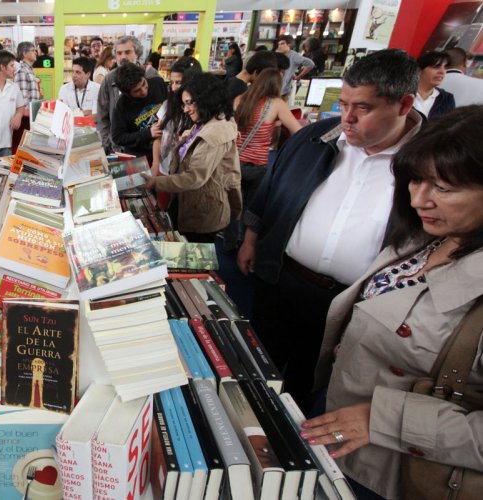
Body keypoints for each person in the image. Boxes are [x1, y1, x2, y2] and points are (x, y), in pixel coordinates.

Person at [304, 106, 483, 500]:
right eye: (414, 181)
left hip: (399, 472)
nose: (420, 200)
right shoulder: (426, 238)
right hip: (339, 420)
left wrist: (388, 420)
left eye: (444, 188)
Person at [237, 49, 425, 408]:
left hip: (351, 303)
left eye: (363, 108)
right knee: (257, 361)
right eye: (344, 104)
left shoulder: (428, 162)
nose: (348, 118)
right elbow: (271, 191)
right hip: (281, 278)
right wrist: (251, 239)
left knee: (312, 382)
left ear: (403, 105)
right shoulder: (314, 139)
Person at [142, 73, 241, 243]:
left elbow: (194, 178)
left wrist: (155, 182)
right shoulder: (206, 121)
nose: (186, 110)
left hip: (202, 212)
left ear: (206, 99)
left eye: (190, 103)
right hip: (190, 203)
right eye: (184, 104)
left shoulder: (215, 132)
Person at [223, 68, 303, 250]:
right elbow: (298, 131)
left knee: (233, 206)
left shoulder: (240, 99)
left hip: (235, 162)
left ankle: (229, 243)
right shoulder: (277, 104)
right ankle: (245, 244)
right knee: (252, 209)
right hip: (258, 165)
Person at [96, 35, 161, 152]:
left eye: (127, 52)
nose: (123, 57)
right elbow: (102, 115)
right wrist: (108, 144)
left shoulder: (150, 75)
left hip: (153, 145)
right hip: (119, 147)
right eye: (119, 53)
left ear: (137, 53)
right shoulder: (109, 79)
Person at [110, 64, 168, 161]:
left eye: (144, 84)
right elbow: (118, 137)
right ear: (128, 93)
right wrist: (147, 133)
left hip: (165, 147)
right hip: (141, 156)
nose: (144, 91)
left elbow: (170, 106)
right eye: (137, 91)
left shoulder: (158, 83)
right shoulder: (122, 105)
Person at [415, 50, 456, 119]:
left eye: (445, 68)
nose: (442, 72)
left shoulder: (447, 99)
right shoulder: (402, 93)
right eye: (436, 67)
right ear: (419, 70)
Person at [14, 42, 41, 108]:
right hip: (27, 115)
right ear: (24, 54)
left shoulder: (28, 70)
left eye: (35, 50)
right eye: (33, 50)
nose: (35, 53)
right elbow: (22, 99)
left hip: (31, 112)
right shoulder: (21, 70)